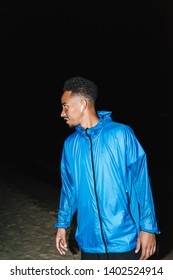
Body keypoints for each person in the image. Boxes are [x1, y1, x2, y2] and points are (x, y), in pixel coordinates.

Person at [54, 76, 160, 260]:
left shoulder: (121, 134)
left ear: (83, 104)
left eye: (65, 106)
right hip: (89, 243)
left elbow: (142, 184)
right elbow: (69, 189)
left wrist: (148, 228)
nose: (62, 113)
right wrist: (62, 225)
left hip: (124, 240)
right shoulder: (70, 145)